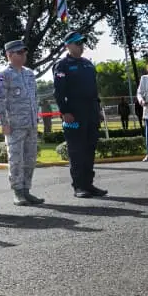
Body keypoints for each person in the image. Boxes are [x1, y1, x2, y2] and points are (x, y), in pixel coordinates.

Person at [52, 31, 107, 198]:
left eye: (82, 43)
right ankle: (79, 186)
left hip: (90, 112)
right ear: (67, 45)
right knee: (76, 150)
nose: (81, 46)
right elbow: (59, 92)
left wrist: (98, 110)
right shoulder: (62, 65)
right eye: (77, 43)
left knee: (90, 148)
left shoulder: (88, 64)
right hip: (73, 114)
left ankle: (89, 184)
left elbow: (93, 90)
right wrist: (65, 111)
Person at [0, 39, 44, 206]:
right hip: (14, 125)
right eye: (19, 53)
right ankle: (18, 192)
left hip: (31, 124)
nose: (24, 55)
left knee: (30, 159)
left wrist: (36, 118)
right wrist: (3, 122)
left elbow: (35, 97)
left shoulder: (29, 73)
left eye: (24, 52)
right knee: (16, 160)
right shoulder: (4, 75)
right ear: (9, 55)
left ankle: (27, 190)